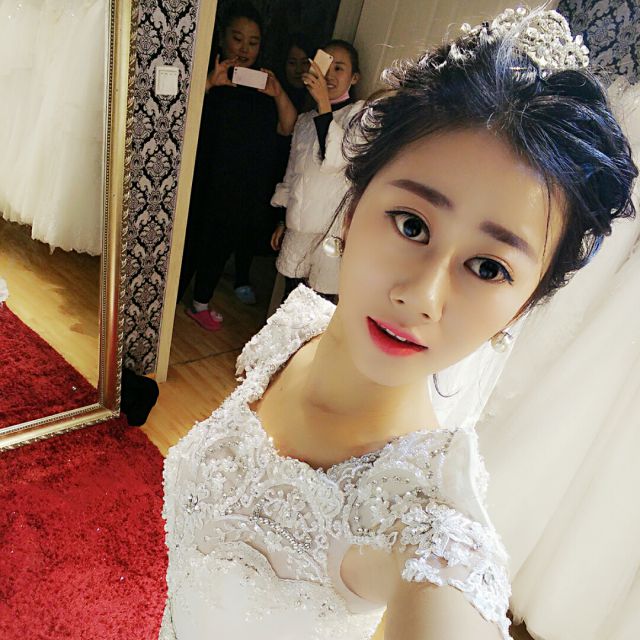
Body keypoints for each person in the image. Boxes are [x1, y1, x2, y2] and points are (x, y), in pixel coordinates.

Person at [159, 7, 637, 640]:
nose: (421, 297)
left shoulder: (425, 525)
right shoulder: (296, 328)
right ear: (354, 207)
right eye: (412, 225)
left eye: (489, 267)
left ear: (523, 306)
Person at [177, 0, 297, 330]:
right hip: (201, 179)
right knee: (188, 240)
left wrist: (277, 93)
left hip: (241, 186)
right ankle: (167, 298)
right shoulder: (207, 74)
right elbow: (176, 118)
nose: (244, 49)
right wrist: (209, 83)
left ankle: (200, 303)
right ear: (222, 37)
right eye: (237, 38)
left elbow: (288, 127)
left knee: (220, 244)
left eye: (253, 42)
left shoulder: (266, 86)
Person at [270, 40, 363, 300]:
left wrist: (323, 102)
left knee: (319, 303)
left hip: (330, 232)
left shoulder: (359, 115)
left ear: (354, 77)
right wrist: (282, 220)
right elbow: (292, 173)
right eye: (325, 67)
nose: (329, 75)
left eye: (339, 68)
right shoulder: (304, 121)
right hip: (298, 227)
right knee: (290, 298)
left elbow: (336, 160)